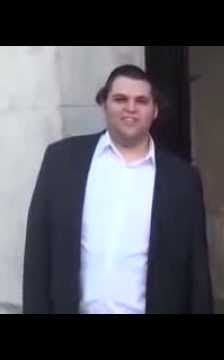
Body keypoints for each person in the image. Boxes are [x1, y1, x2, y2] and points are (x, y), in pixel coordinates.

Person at [23, 64, 213, 314]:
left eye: (141, 101)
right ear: (104, 104)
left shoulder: (182, 179)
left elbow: (197, 271)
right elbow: (38, 255)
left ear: (155, 110)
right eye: (120, 99)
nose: (131, 108)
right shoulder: (62, 161)